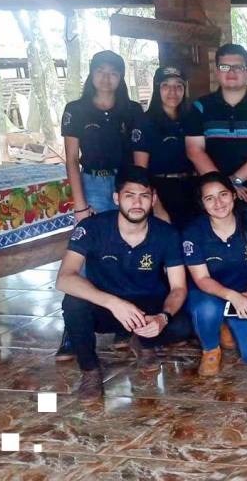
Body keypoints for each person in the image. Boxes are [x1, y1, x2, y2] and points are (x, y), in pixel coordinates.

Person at [56, 166, 191, 402]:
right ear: (116, 198)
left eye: (144, 196)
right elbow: (65, 278)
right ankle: (90, 371)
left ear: (154, 199)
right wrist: (113, 303)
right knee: (74, 304)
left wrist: (162, 318)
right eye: (130, 196)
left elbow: (179, 288)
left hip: (147, 308)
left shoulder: (167, 234)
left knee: (183, 325)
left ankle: (142, 340)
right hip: (107, 308)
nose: (137, 203)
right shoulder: (92, 228)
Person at [185, 44, 247, 237]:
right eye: (224, 67)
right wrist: (225, 189)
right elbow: (194, 150)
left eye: (238, 67)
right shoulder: (200, 107)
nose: (231, 72)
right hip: (215, 200)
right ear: (216, 71)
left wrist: (235, 181)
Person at [182, 172, 247, 376]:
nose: (218, 203)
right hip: (208, 294)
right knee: (207, 309)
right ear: (202, 204)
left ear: (233, 195)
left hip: (244, 292)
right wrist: (233, 296)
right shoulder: (193, 232)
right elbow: (202, 279)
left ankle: (225, 324)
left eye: (223, 194)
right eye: (209, 198)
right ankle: (210, 348)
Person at [62, 50, 143, 223]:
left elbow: (140, 154)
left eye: (113, 73)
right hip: (93, 184)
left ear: (121, 77)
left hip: (126, 182)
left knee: (130, 234)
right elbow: (72, 159)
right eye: (100, 71)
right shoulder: (75, 110)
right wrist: (81, 205)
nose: (106, 78)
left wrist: (140, 189)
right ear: (91, 73)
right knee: (96, 239)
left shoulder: (132, 110)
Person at [132, 65, 197, 229]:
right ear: (157, 89)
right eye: (166, 86)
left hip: (191, 189)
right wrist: (157, 207)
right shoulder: (145, 122)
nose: (172, 92)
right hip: (161, 191)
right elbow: (141, 171)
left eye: (178, 86)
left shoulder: (191, 119)